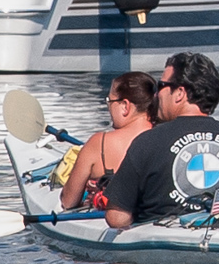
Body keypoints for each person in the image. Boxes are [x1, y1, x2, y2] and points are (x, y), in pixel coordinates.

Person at [103, 52, 219, 228]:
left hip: (165, 245)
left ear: (180, 93)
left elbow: (117, 218)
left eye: (161, 86)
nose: (156, 95)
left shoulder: (147, 142)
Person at [60, 71, 157, 210]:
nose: (109, 108)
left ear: (125, 106)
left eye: (110, 102)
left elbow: (68, 201)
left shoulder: (99, 143)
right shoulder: (166, 137)